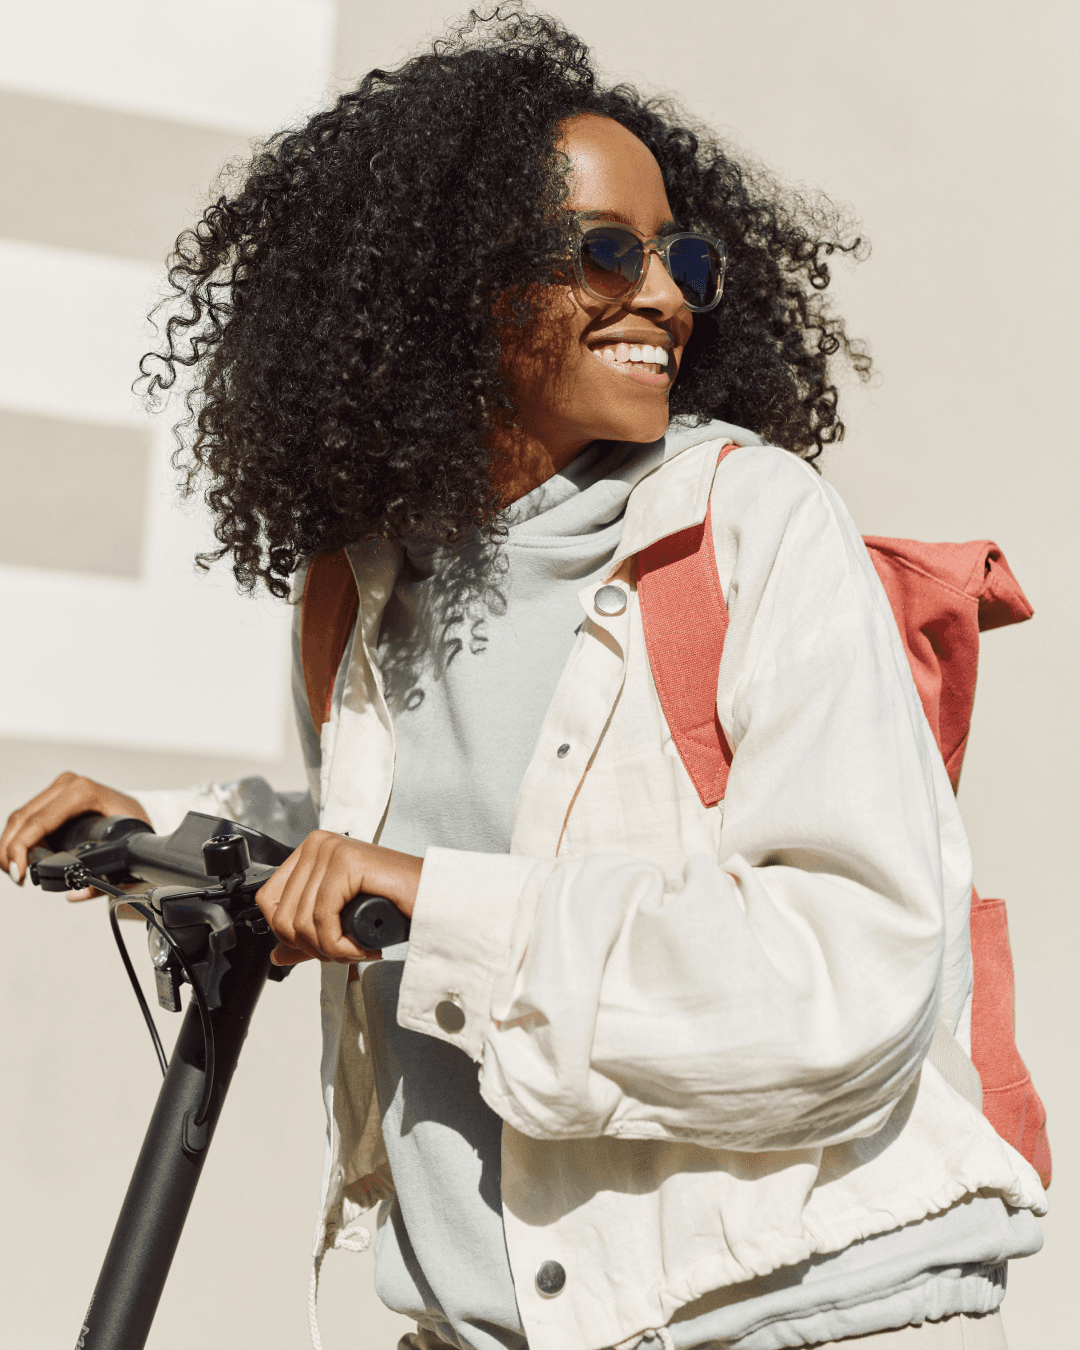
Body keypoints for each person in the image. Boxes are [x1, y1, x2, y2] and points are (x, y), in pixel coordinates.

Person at [0, 9, 1045, 1349]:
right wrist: (162, 821)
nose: (663, 295)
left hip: (750, 1317)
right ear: (455, 286)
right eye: (609, 253)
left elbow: (852, 975)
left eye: (683, 257)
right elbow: (404, 825)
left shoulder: (752, 530)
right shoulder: (378, 575)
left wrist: (437, 908)